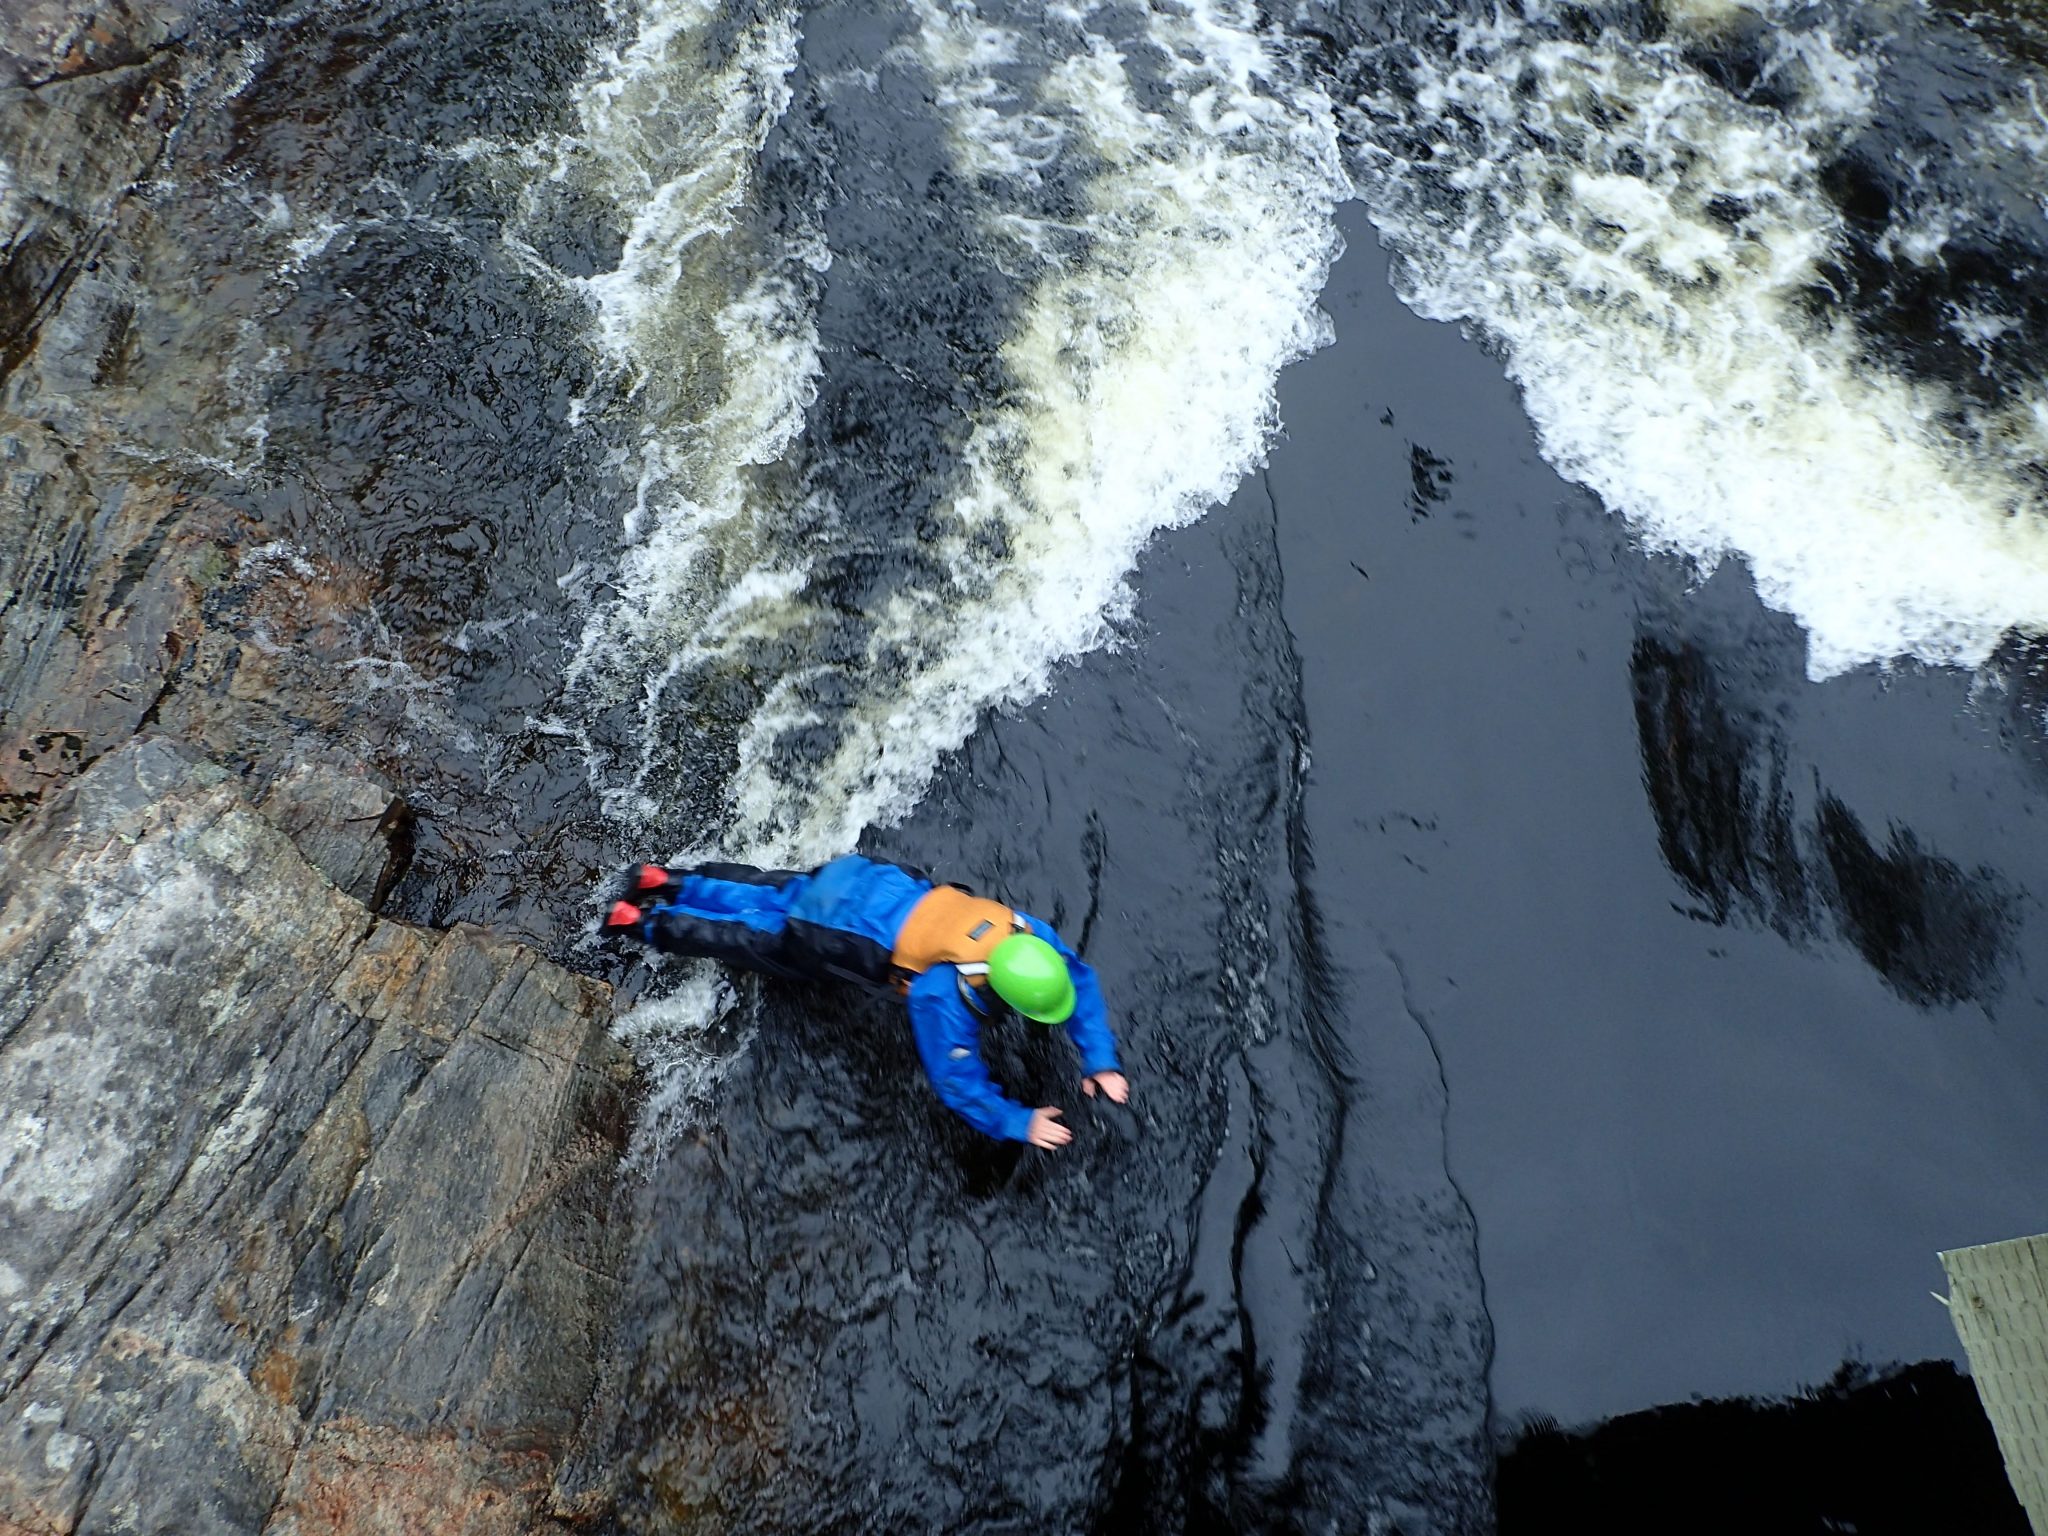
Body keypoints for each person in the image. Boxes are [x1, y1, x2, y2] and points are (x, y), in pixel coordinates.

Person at [603, 854, 1128, 1149]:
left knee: (768, 891)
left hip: (869, 880)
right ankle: (641, 921)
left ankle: (666, 881)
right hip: (840, 933)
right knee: (754, 937)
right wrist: (1017, 1122)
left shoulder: (1026, 933)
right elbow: (955, 1081)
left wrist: (1100, 1059)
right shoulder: (944, 994)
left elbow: (1075, 980)